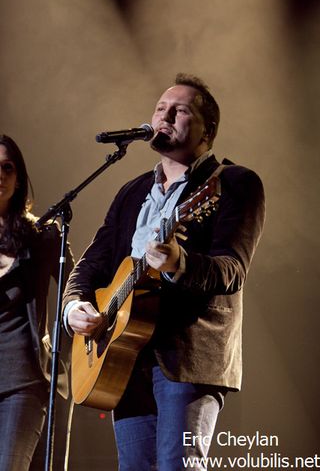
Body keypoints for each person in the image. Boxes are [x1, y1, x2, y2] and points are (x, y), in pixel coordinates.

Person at [63, 73, 265, 470]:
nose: (165, 116)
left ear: (207, 132)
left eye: (180, 111)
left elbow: (232, 270)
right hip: (122, 357)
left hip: (186, 358)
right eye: (160, 109)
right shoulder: (131, 192)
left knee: (179, 465)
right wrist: (74, 307)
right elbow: (91, 263)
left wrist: (179, 263)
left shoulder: (233, 183)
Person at [0, 134, 74, 471]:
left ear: (18, 179)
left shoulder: (42, 235)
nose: (0, 174)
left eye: (7, 167)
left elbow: (80, 287)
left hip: (23, 380)